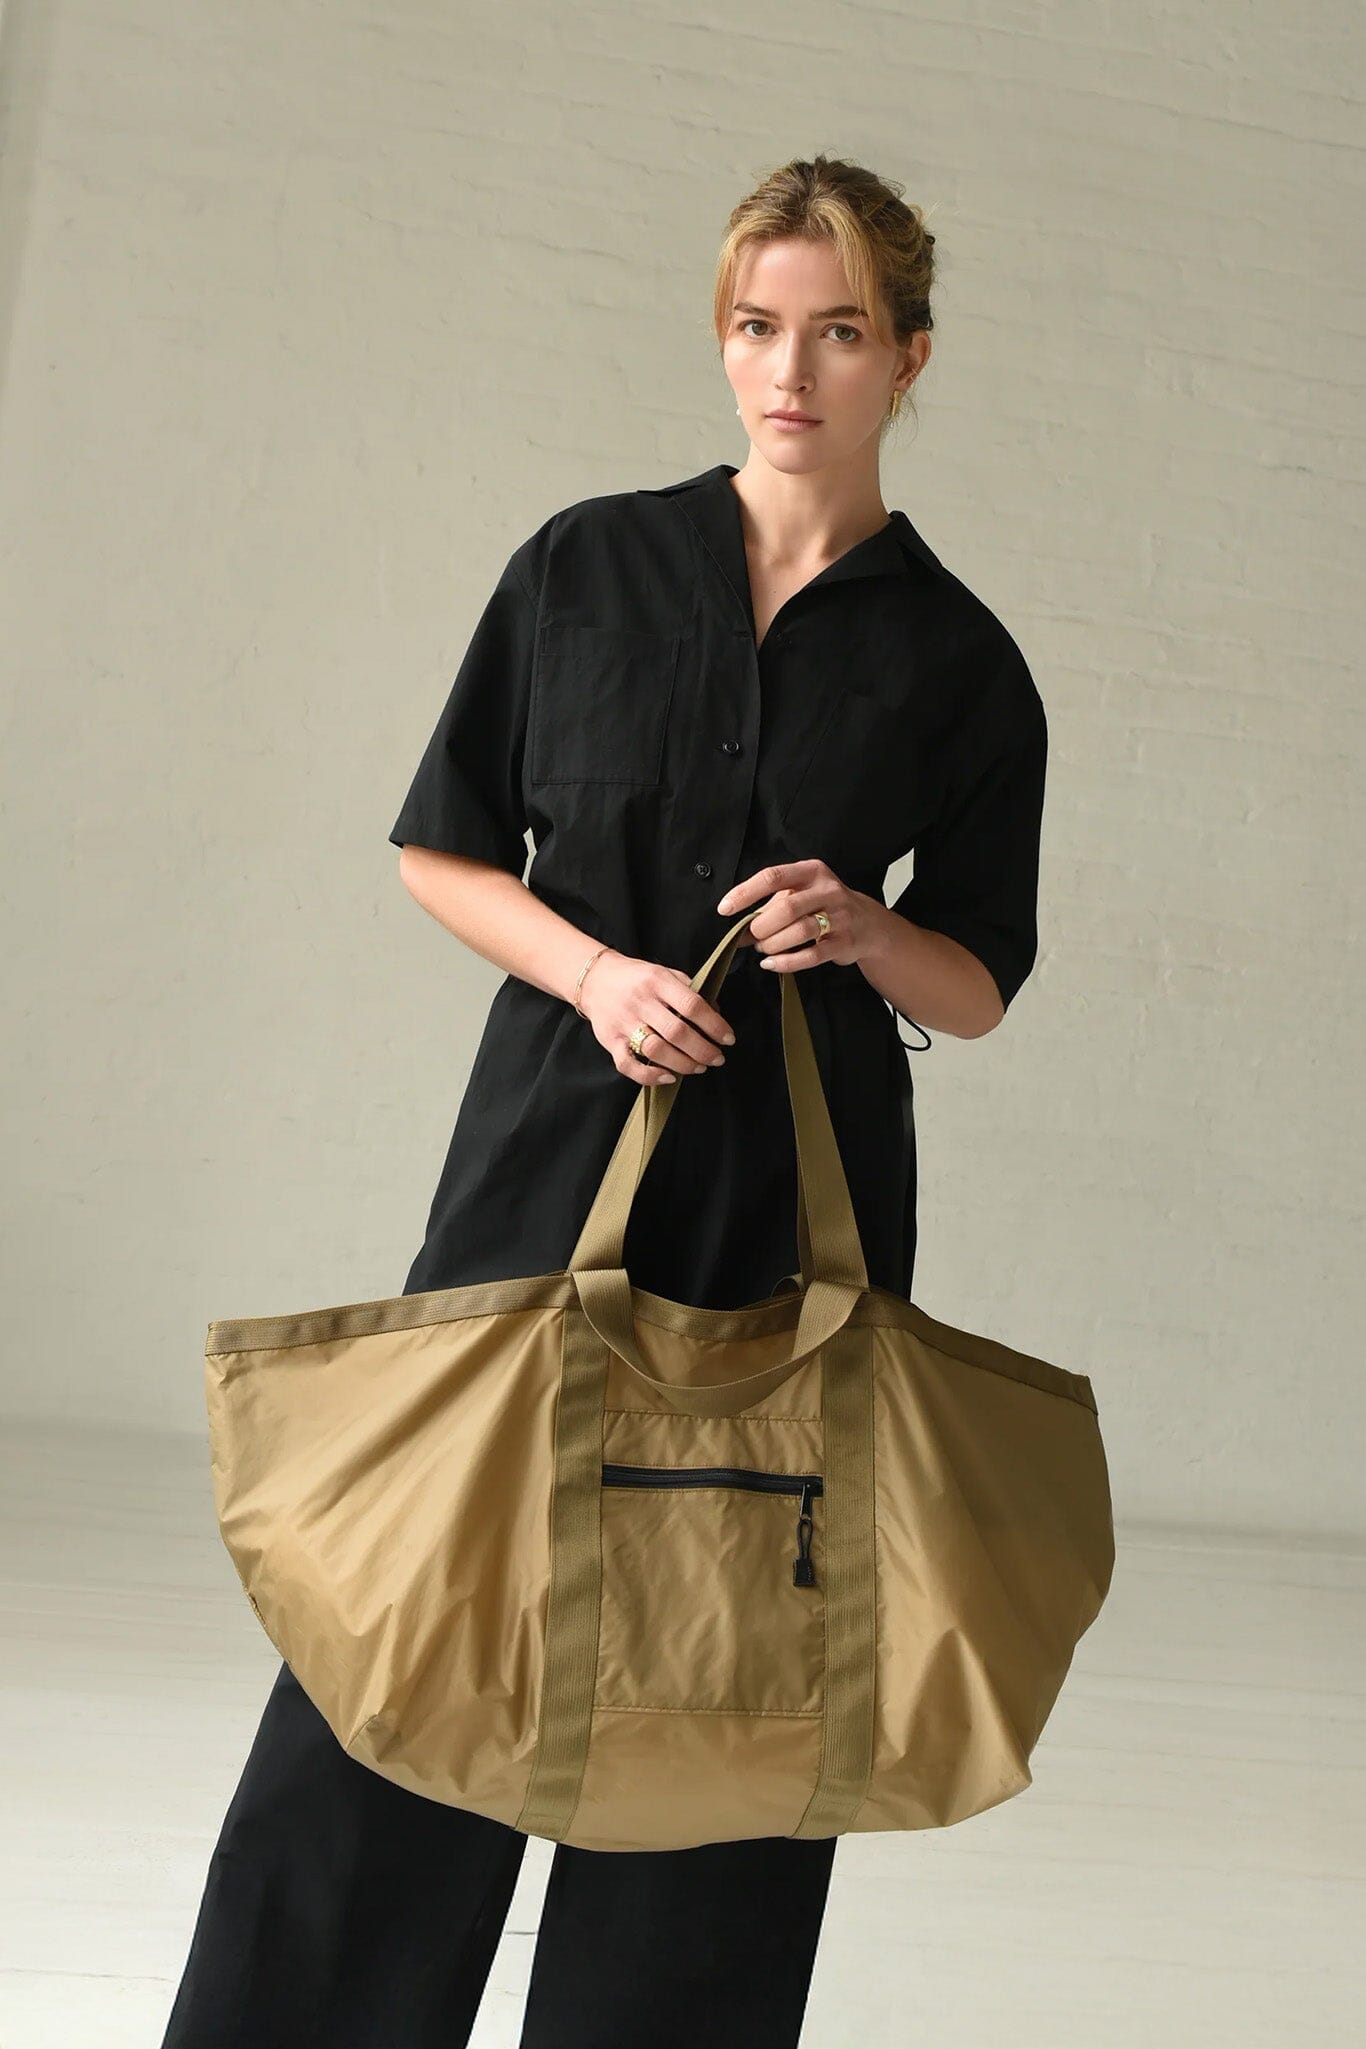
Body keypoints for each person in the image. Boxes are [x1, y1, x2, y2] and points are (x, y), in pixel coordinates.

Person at [159, 152, 1047, 2049]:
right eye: (754, 327)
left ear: (907, 356)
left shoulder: (958, 659)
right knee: (409, 1630)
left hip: (784, 1226)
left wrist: (860, 930)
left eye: (832, 333)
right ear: (720, 339)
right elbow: (445, 848)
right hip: (542, 1168)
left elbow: (973, 981)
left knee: (728, 1671)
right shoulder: (583, 564)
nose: (787, 371)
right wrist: (594, 973)